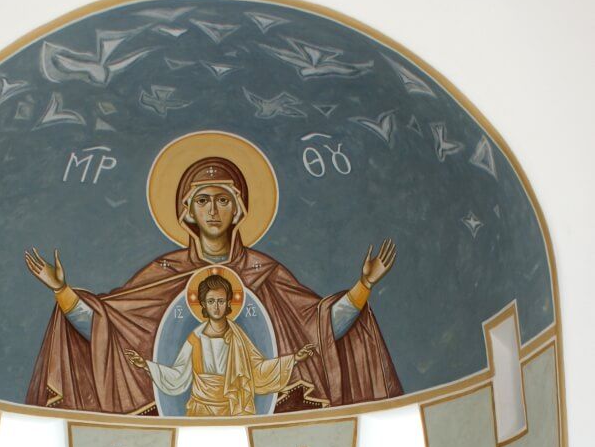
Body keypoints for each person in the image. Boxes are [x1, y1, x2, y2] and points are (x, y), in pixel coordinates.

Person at [24, 154, 402, 414]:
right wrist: (62, 291)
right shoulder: (164, 271)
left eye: (223, 200)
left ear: (238, 208)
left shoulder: (266, 272)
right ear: (188, 211)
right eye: (203, 200)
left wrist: (363, 285)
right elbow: (109, 325)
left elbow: (318, 326)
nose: (213, 210)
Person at [125, 273, 315, 417]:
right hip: (200, 410)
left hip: (231, 408)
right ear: (203, 305)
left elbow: (256, 370)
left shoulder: (238, 337)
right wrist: (146, 365)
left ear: (228, 303)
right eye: (211, 301)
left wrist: (294, 359)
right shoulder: (195, 338)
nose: (216, 306)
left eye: (221, 301)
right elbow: (178, 375)